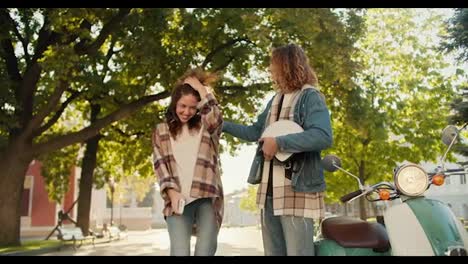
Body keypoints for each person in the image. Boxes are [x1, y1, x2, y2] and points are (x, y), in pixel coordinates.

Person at [222, 43, 332, 256]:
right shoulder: (275, 100)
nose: (270, 70)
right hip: (269, 191)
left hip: (296, 189)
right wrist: (222, 125)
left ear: (286, 65)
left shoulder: (310, 97)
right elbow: (255, 132)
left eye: (273, 65)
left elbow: (322, 135)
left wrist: (280, 142)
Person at [151, 69, 224, 256]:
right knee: (180, 252)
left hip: (205, 197)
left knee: (205, 251)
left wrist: (200, 87)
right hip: (177, 200)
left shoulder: (206, 127)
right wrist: (172, 192)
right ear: (174, 103)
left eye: (192, 107)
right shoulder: (161, 130)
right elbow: (160, 165)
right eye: (182, 106)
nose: (187, 112)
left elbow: (215, 115)